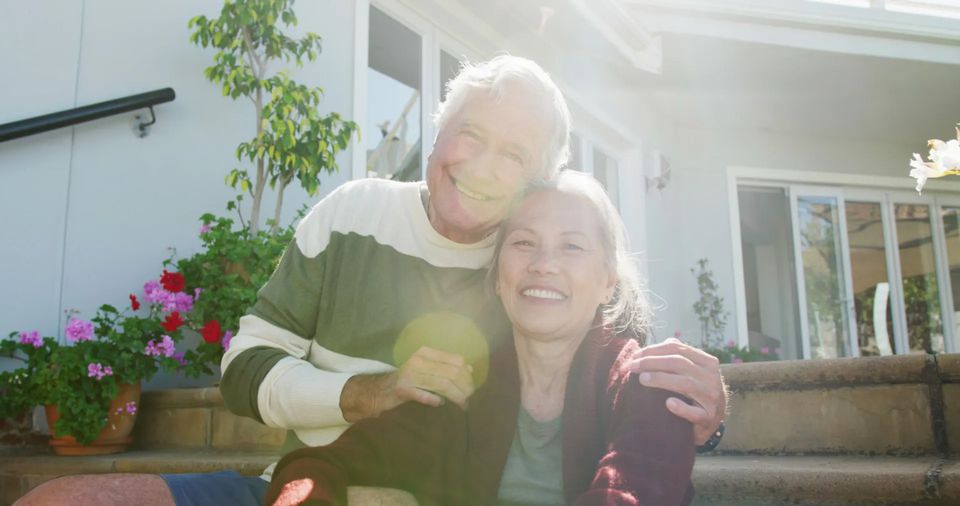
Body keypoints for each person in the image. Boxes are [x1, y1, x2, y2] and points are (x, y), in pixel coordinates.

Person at [15, 55, 722, 506]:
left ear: (536, 183)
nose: (480, 166)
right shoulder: (354, 214)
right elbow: (242, 369)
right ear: (438, 135)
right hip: (307, 479)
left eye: (514, 154)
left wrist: (712, 412)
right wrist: (364, 394)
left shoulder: (529, 269)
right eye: (470, 134)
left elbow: (631, 384)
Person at [266, 171, 695, 506]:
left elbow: (629, 496)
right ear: (496, 278)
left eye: (572, 247)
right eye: (524, 242)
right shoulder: (464, 388)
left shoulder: (650, 386)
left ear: (607, 282)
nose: (543, 264)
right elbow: (314, 466)